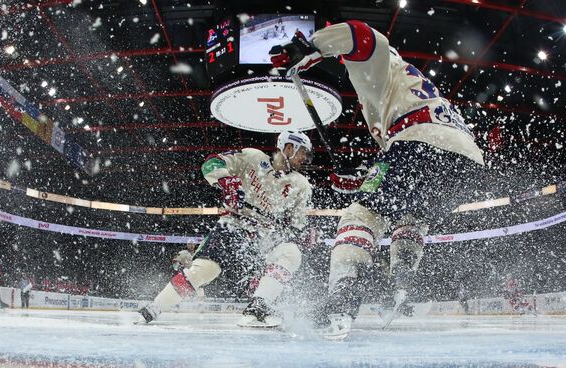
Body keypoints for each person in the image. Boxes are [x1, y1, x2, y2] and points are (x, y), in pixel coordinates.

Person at [270, 21, 485, 337]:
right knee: (412, 217)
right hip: (466, 165)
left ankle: (341, 300)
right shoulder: (415, 85)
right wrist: (361, 180)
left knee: (360, 215)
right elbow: (397, 176)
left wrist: (311, 47)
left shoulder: (381, 67)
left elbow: (364, 35)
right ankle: (402, 281)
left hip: (417, 140)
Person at [139, 131, 313, 327]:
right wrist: (225, 180)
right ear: (289, 148)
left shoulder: (302, 185)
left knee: (291, 252)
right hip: (234, 226)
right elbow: (211, 163)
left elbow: (296, 224)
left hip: (265, 238)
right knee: (205, 270)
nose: (305, 158)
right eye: (303, 152)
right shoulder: (252, 157)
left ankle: (258, 306)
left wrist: (302, 234)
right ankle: (153, 308)